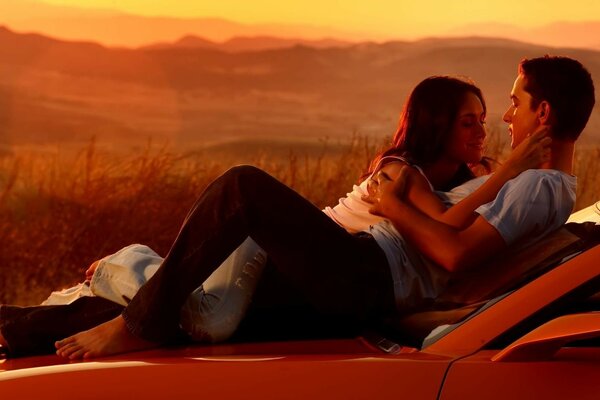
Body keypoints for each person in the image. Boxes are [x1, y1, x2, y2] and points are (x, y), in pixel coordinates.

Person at [0, 75, 549, 358]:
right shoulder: (402, 171)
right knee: (230, 225)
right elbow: (438, 231)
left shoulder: (468, 184)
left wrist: (506, 170)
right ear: (436, 127)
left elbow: (451, 236)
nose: (485, 131)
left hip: (351, 285)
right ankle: (67, 316)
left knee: (207, 319)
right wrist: (509, 170)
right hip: (330, 261)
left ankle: (67, 311)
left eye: (485, 120)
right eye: (469, 123)